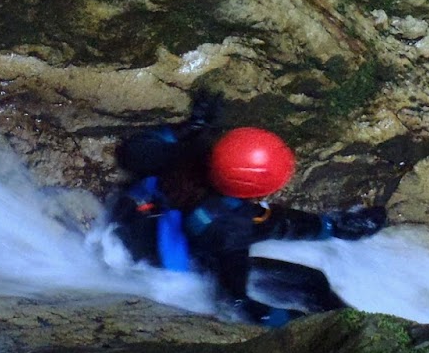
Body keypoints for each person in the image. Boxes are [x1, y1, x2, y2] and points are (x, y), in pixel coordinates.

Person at [108, 95, 386, 325]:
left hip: (125, 229)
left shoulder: (181, 155)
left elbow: (133, 151)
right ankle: (348, 326)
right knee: (312, 282)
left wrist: (192, 126)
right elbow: (233, 297)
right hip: (163, 270)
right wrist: (284, 320)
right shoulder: (231, 223)